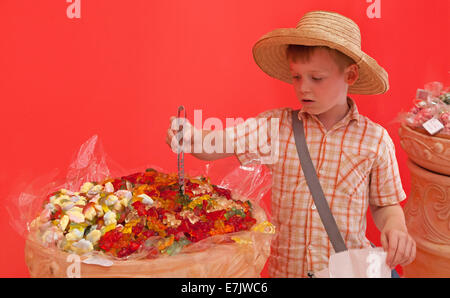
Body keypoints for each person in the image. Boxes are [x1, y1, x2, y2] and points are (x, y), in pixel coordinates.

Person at [166, 10, 416, 277]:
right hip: (286, 271)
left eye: (316, 78)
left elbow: (384, 204)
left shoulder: (374, 140)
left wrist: (395, 227)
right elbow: (216, 144)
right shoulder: (277, 128)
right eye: (297, 76)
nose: (303, 88)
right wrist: (191, 137)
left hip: (344, 271)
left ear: (350, 76)